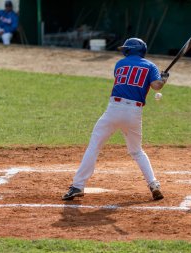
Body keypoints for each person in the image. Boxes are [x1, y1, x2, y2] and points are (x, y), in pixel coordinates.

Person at [62, 38, 169, 201]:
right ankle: (154, 185)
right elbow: (156, 86)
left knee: (94, 146)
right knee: (137, 151)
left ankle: (78, 185)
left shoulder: (120, 64)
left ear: (129, 50)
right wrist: (164, 79)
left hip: (113, 109)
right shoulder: (150, 66)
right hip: (134, 112)